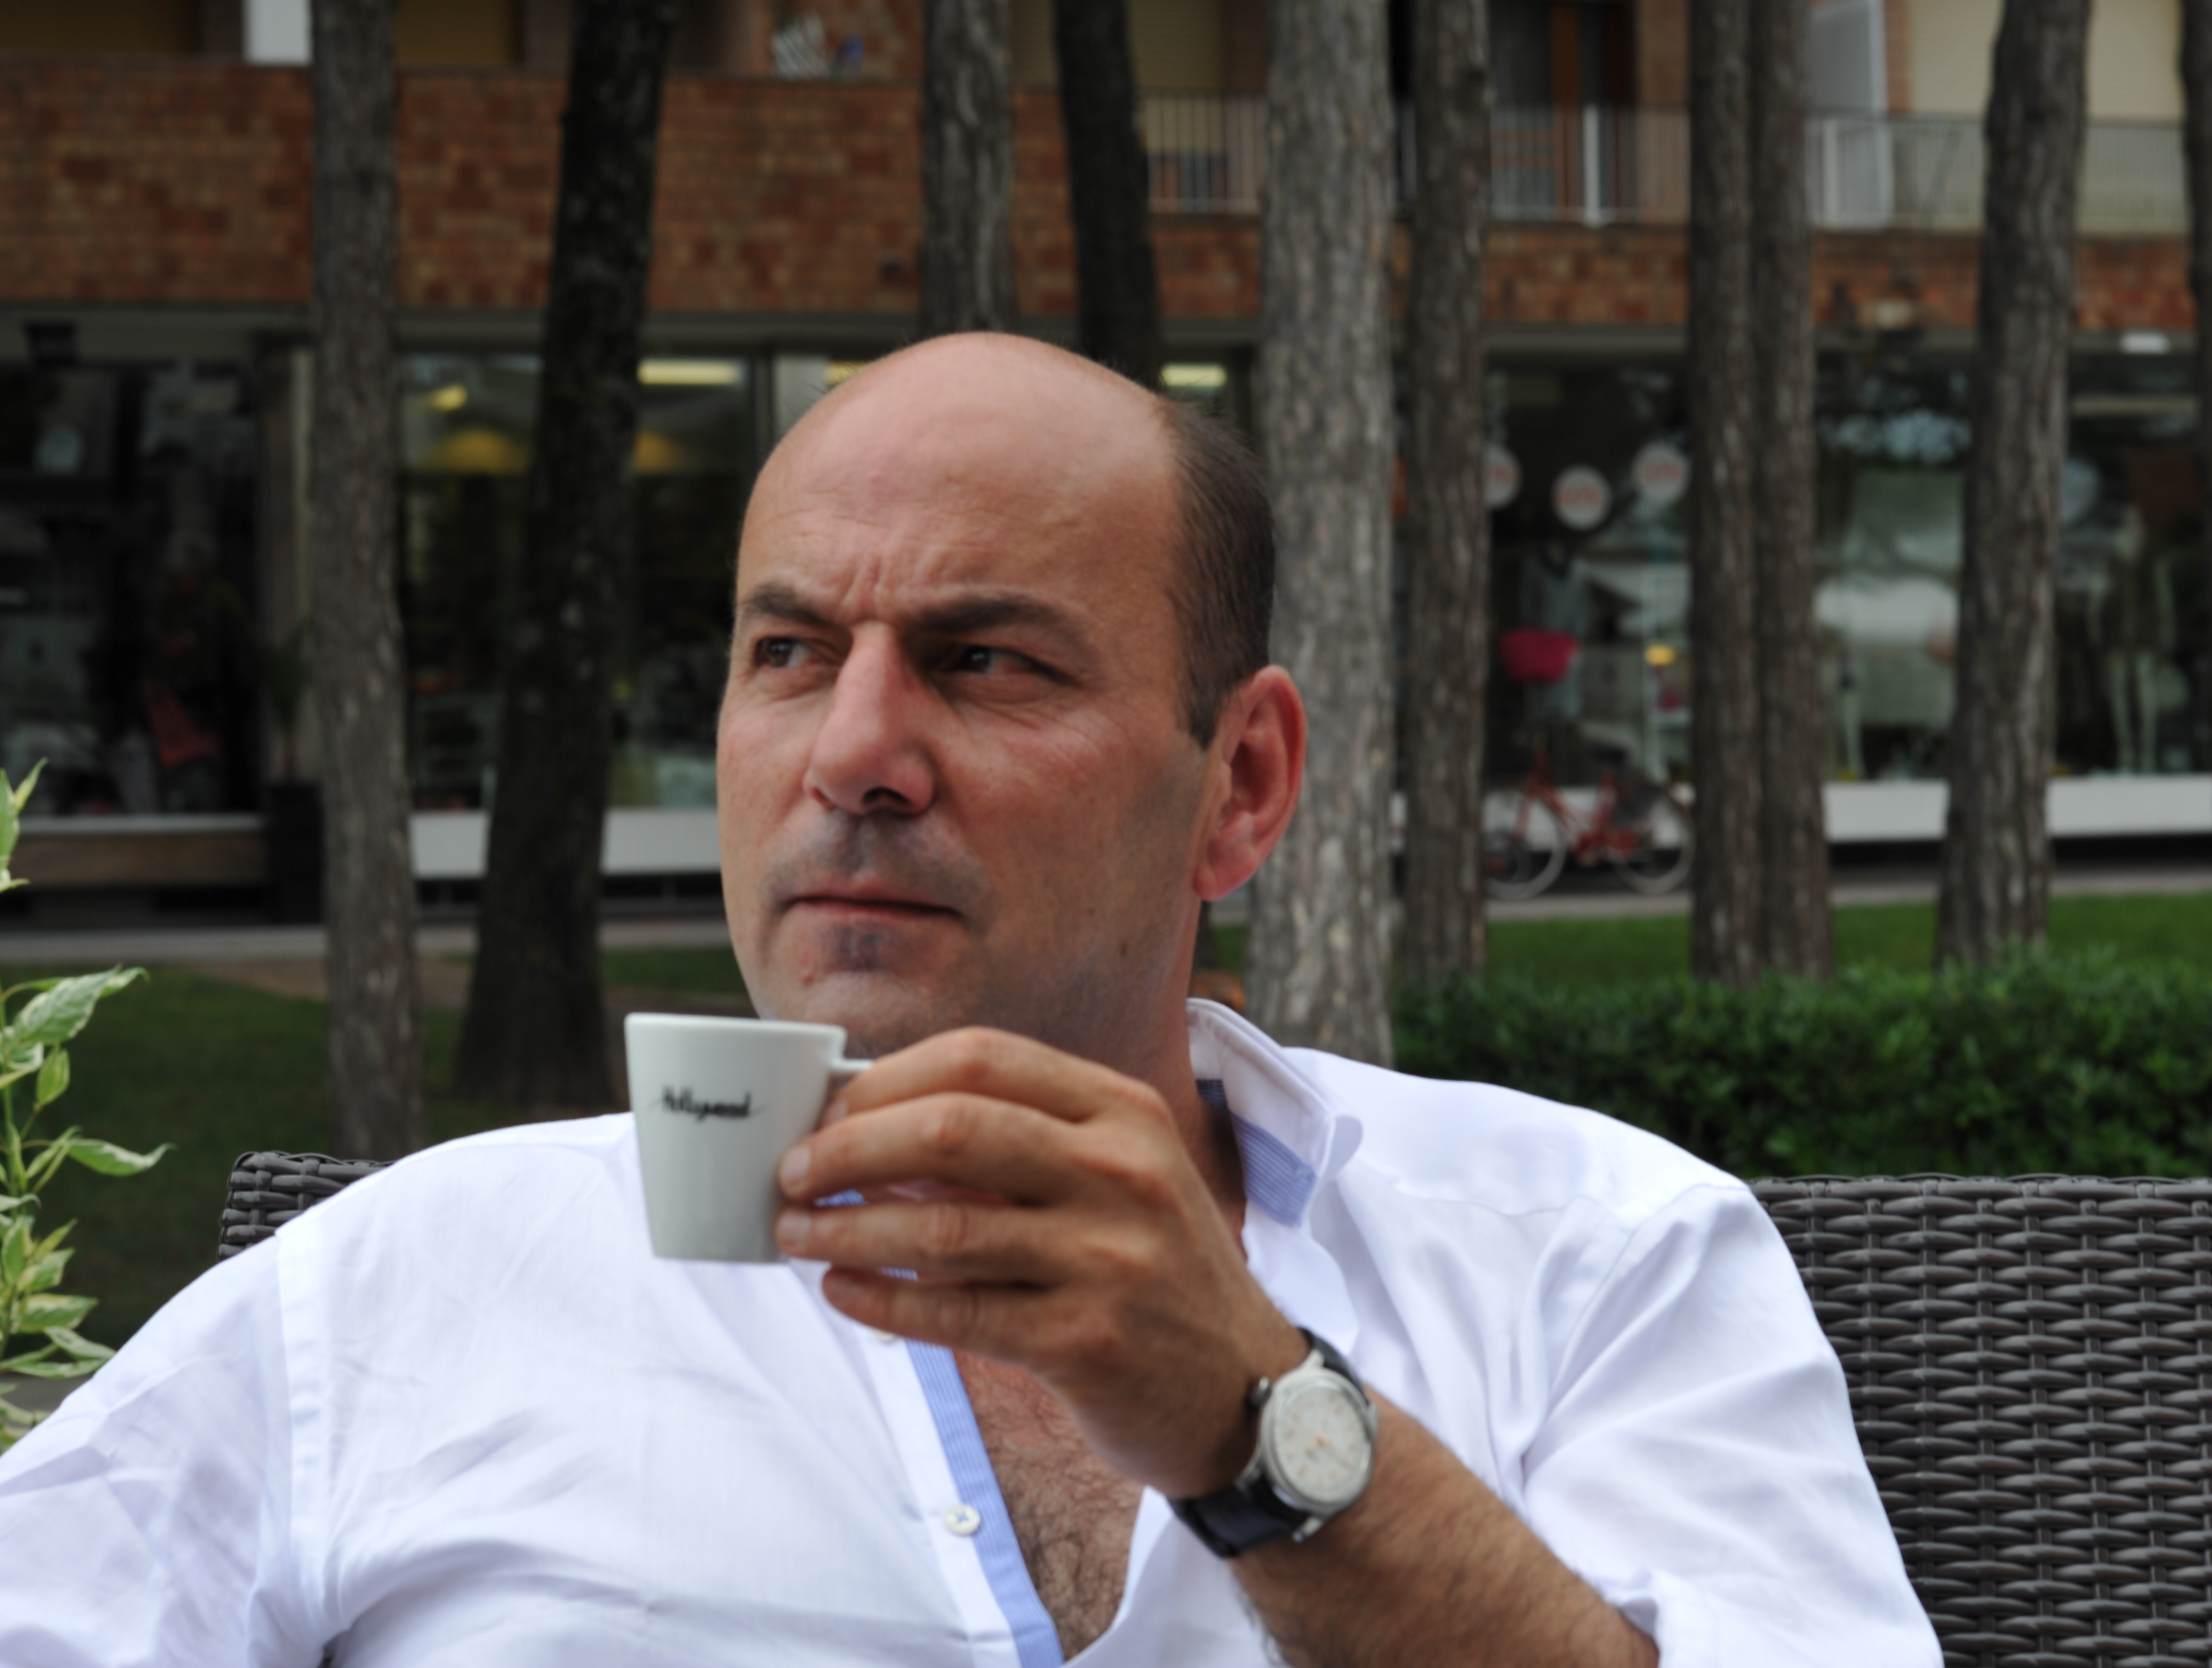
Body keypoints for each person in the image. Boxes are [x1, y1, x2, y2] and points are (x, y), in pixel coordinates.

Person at [0, 335, 1938, 1667]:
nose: (855, 752)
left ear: (1242, 783)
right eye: (788, 652)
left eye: (986, 661)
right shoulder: (395, 1293)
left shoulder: (1592, 1257)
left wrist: (1259, 1425)